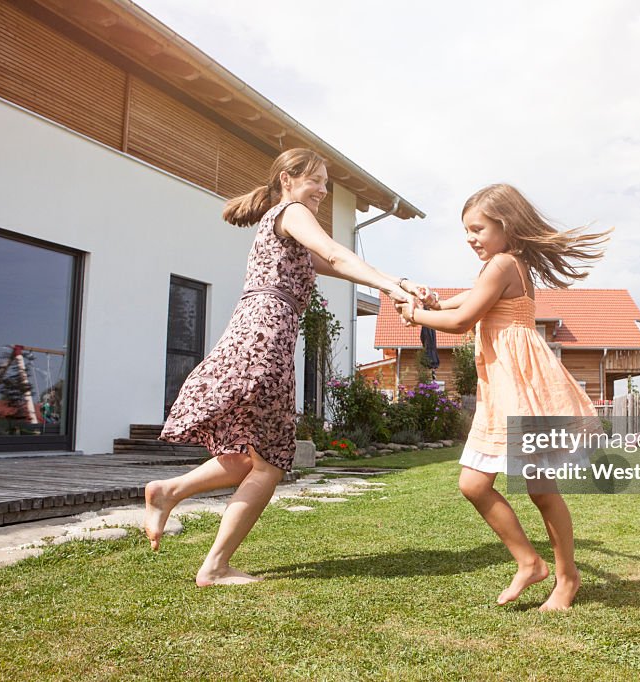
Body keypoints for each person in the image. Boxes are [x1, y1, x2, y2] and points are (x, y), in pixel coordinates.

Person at [143, 148, 422, 586]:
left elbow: (333, 264)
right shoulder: (291, 211)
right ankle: (214, 566)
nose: (324, 191)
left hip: (255, 335)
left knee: (244, 458)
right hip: (265, 339)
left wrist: (397, 283)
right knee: (269, 464)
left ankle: (168, 492)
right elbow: (334, 249)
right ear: (289, 179)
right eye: (318, 181)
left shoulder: (280, 223)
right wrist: (390, 288)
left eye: (326, 184)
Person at [396, 183, 609, 611]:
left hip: (522, 387)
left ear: (505, 225)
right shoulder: (504, 265)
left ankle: (567, 579)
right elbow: (463, 302)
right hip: (506, 387)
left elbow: (462, 319)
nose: (471, 238)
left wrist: (414, 314)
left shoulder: (502, 264)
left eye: (477, 229)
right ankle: (530, 563)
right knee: (476, 484)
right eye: (466, 232)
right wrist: (432, 299)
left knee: (540, 488)